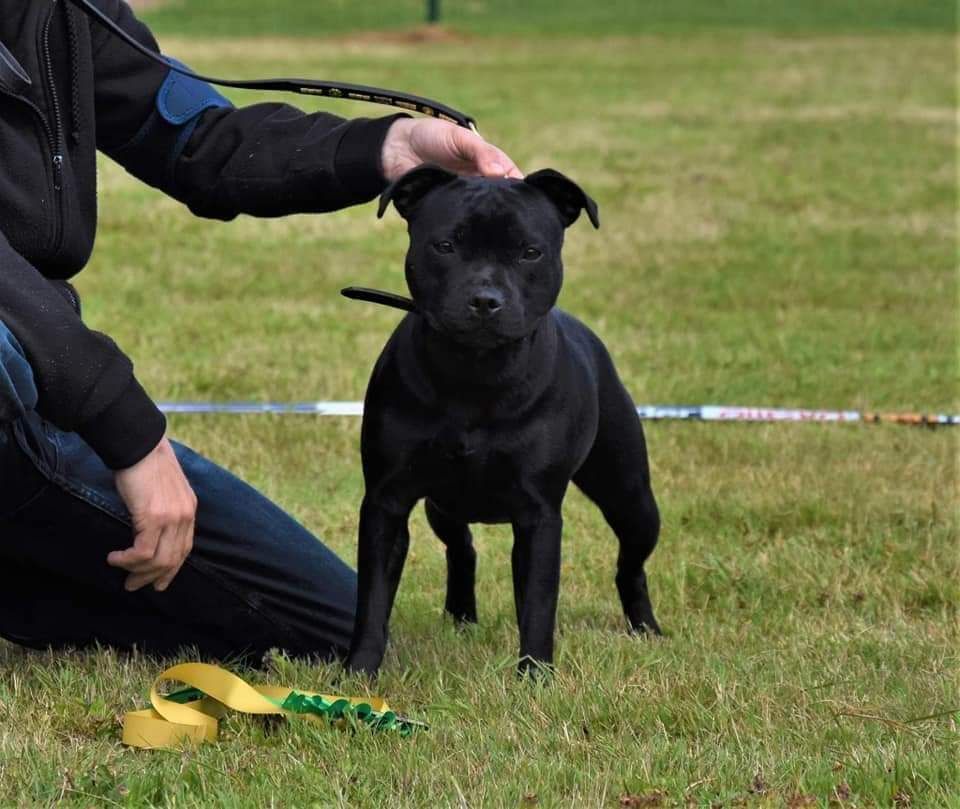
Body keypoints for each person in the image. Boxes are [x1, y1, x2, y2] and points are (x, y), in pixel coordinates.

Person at [0, 0, 520, 662]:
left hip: (38, 395)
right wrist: (129, 434)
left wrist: (388, 148)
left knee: (335, 627)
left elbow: (203, 140)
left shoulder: (63, 10)